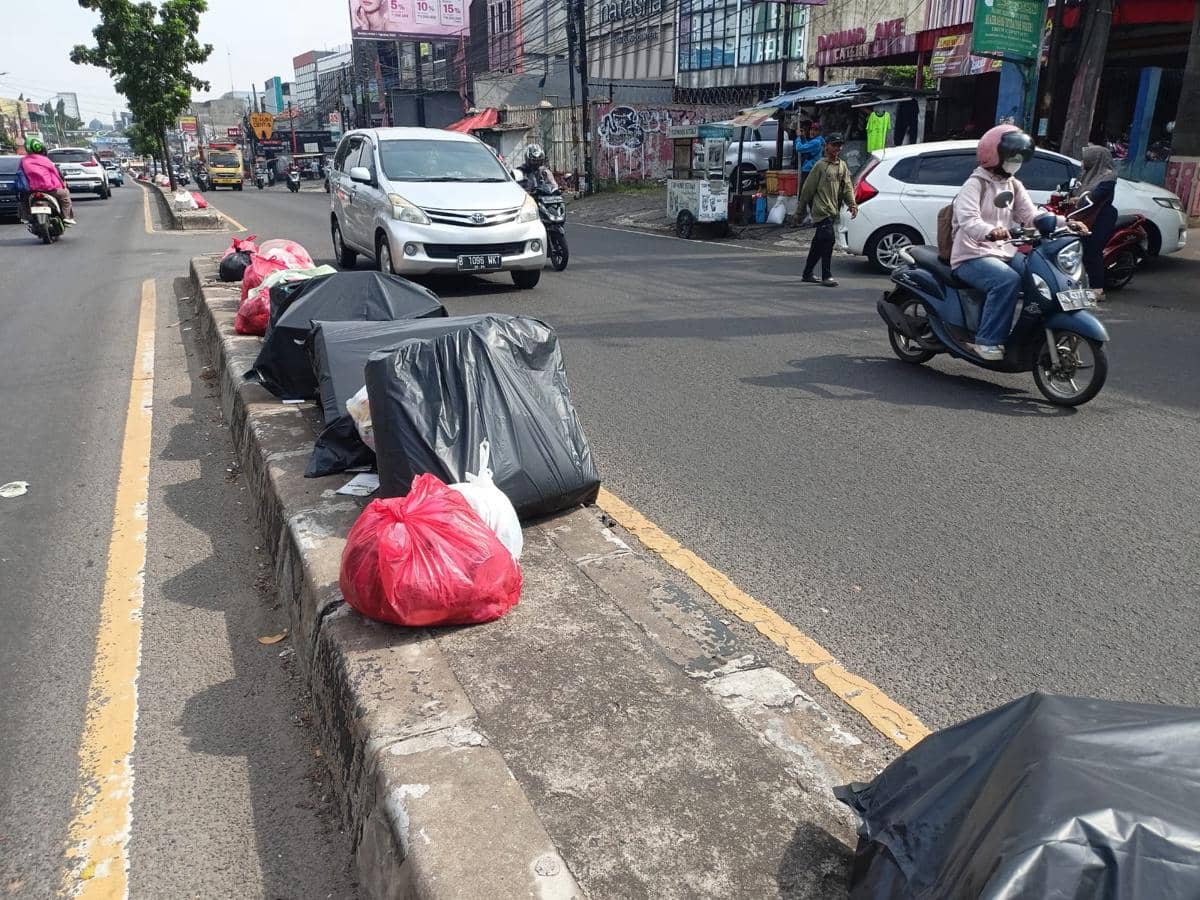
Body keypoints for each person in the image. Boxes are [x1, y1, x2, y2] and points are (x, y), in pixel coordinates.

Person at [951, 124, 1083, 360]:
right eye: (1012, 156)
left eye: (1019, 157)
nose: (1016, 162)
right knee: (1006, 281)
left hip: (1004, 252)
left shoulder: (1013, 184)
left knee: (1039, 275)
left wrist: (1067, 223)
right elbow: (969, 221)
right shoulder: (975, 184)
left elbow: (1031, 216)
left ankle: (1031, 334)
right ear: (994, 155)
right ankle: (987, 341)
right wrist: (991, 231)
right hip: (972, 254)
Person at [797, 132, 857, 287]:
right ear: (826, 146)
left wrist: (852, 204)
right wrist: (799, 212)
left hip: (833, 211)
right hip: (821, 210)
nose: (837, 148)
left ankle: (807, 273)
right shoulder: (820, 166)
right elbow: (807, 190)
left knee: (818, 243)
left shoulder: (842, 166)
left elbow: (847, 187)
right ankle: (826, 275)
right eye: (834, 145)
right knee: (829, 240)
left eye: (839, 145)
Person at [1070, 144, 1118, 300]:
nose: (1083, 162)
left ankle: (1098, 290)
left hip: (1101, 217)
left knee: (1092, 251)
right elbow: (1076, 191)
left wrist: (1080, 199)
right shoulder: (1086, 175)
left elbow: (1096, 196)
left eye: (1086, 159)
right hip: (1085, 214)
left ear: (1096, 159)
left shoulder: (1108, 177)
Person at [18, 135, 75, 225]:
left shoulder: (23, 161)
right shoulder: (46, 160)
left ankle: (25, 217)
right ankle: (67, 217)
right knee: (65, 195)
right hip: (49, 189)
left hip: (31, 190)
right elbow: (56, 174)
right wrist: (63, 186)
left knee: (23, 200)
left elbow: (20, 174)